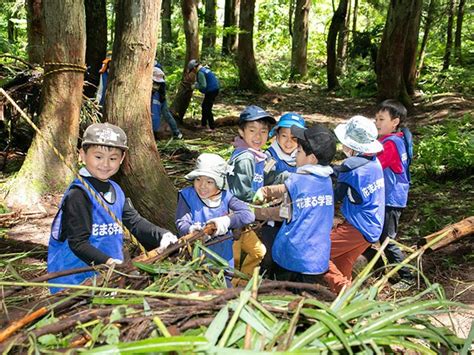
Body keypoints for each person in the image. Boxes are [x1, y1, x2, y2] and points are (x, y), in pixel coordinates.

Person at [47, 123, 178, 294]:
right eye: (98, 157)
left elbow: (134, 222)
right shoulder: (78, 194)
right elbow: (78, 243)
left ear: (122, 159)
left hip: (107, 277)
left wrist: (162, 235)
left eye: (113, 158)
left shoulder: (116, 189)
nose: (105, 164)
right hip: (74, 283)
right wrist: (110, 263)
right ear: (82, 155)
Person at [252, 124, 336, 284]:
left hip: (292, 258)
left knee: (284, 297)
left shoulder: (297, 180)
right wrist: (267, 191)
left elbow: (283, 213)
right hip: (316, 260)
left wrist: (253, 212)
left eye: (298, 152)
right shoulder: (326, 181)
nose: (295, 155)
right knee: (305, 301)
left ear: (311, 159)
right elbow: (290, 190)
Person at [323, 115, 385, 294]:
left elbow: (336, 195)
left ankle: (348, 292)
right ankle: (344, 306)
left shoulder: (351, 167)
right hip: (373, 227)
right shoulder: (374, 162)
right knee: (342, 263)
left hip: (357, 227)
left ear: (350, 146)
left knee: (317, 253)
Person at [175, 153, 255, 280]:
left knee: (224, 291)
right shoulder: (187, 196)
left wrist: (224, 222)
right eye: (198, 179)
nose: (202, 186)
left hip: (222, 259)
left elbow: (248, 215)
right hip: (195, 262)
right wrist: (192, 231)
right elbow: (181, 222)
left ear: (219, 183)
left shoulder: (227, 197)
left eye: (209, 182)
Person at [364, 99, 415, 291]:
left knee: (387, 239)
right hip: (388, 198)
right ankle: (380, 268)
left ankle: (407, 277)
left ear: (395, 122)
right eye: (376, 118)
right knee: (378, 235)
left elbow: (373, 166)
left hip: (391, 200)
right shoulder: (390, 140)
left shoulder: (391, 144)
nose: (377, 123)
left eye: (381, 119)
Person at [227, 105, 276, 281]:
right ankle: (230, 288)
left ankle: (241, 283)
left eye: (263, 131)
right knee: (235, 257)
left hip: (243, 219)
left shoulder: (257, 156)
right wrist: (264, 205)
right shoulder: (246, 157)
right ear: (241, 131)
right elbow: (242, 193)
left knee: (258, 252)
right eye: (252, 130)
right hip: (234, 219)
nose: (258, 136)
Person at [259, 112, 306, 275]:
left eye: (294, 138)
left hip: (295, 215)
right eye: (284, 136)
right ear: (276, 135)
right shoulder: (269, 157)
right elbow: (263, 182)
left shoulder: (303, 158)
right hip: (272, 216)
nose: (288, 142)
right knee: (270, 254)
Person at [151, 63, 183, 139]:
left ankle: (177, 133)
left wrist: (176, 131)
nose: (156, 86)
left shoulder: (160, 96)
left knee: (166, 114)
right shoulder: (146, 94)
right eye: (154, 83)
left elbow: (167, 115)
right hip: (149, 128)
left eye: (158, 84)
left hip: (154, 129)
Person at [187, 59, 220, 131]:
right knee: (205, 106)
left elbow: (203, 85)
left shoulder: (200, 73)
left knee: (207, 108)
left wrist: (194, 86)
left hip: (211, 91)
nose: (193, 72)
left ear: (195, 68)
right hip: (214, 89)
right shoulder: (204, 69)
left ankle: (212, 127)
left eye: (192, 70)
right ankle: (203, 124)